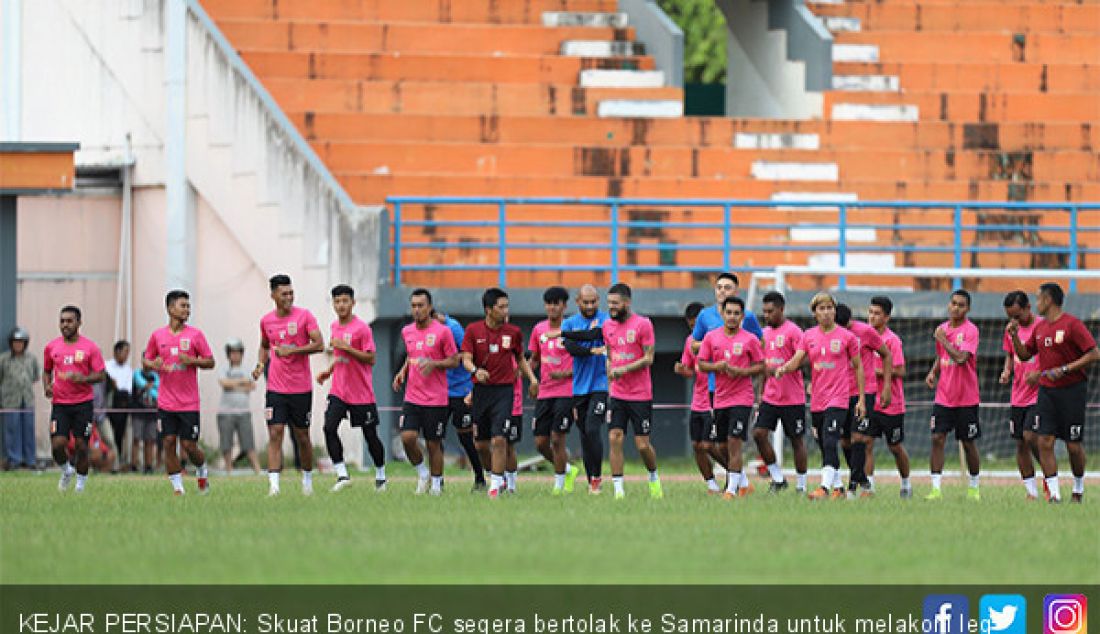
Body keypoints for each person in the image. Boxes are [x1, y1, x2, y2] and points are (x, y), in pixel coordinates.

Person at [1007, 282, 1099, 503]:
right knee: (1044, 441)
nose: (1036, 303)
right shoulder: (1040, 328)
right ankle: (1055, 495)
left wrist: (1066, 369)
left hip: (1072, 391)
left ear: (1048, 300)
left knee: (1073, 446)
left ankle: (1078, 488)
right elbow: (1026, 354)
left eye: (1038, 299)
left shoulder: (1072, 325)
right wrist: (1014, 337)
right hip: (1047, 392)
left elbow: (1094, 353)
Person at [776, 292, 864, 500]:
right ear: (815, 313)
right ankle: (839, 487)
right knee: (824, 442)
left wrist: (860, 399)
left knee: (831, 439)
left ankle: (823, 488)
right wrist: (784, 368)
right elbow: (797, 360)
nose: (826, 313)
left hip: (839, 398)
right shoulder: (808, 336)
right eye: (821, 309)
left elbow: (859, 367)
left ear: (834, 310)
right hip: (817, 399)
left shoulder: (847, 337)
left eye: (829, 308)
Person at [461, 287, 538, 499]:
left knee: (499, 440)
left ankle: (495, 487)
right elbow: (466, 359)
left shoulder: (513, 332)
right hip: (481, 391)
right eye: (501, 307)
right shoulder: (473, 331)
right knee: (481, 444)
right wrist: (476, 371)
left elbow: (521, 358)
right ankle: (497, 476)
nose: (506, 311)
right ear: (488, 309)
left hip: (504, 392)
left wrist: (532, 379)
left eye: (507, 306)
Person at [253, 274, 324, 496]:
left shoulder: (305, 317)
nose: (289, 297)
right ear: (273, 295)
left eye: (291, 293)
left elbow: (320, 344)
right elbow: (264, 345)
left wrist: (293, 350)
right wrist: (260, 364)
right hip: (275, 388)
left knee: (302, 436)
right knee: (275, 433)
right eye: (284, 294)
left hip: (301, 388)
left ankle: (307, 481)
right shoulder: (266, 321)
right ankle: (274, 486)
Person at [143, 290, 215, 495]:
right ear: (170, 308)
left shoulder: (195, 335)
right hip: (165, 402)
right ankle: (178, 488)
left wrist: (192, 361)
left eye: (188, 306)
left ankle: (201, 471)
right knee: (168, 442)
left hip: (189, 402)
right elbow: (146, 362)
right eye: (183, 306)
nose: (187, 310)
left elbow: (210, 361)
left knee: (189, 446)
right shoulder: (158, 336)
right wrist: (152, 363)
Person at [317, 284, 387, 492]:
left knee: (370, 435)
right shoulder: (334, 326)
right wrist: (329, 371)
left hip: (361, 394)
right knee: (329, 427)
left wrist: (348, 347)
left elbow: (371, 358)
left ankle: (381, 476)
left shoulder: (362, 328)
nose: (341, 305)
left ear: (353, 303)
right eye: (337, 301)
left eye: (345, 301)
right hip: (339, 390)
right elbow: (340, 356)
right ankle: (342, 475)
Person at [690, 273, 763, 472]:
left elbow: (759, 343)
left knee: (733, 440)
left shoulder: (747, 317)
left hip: (740, 388)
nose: (722, 290)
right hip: (714, 387)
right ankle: (738, 479)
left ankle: (735, 484)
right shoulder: (705, 316)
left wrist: (742, 365)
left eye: (727, 287)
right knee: (715, 443)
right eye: (719, 287)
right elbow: (693, 343)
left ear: (736, 291)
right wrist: (710, 345)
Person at [696, 297, 765, 499]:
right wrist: (717, 367)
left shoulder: (750, 339)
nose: (733, 317)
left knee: (735, 442)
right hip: (720, 399)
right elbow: (701, 364)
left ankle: (731, 490)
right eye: (729, 312)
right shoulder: (711, 337)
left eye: (737, 313)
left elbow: (761, 366)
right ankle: (742, 482)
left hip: (742, 399)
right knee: (722, 446)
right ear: (722, 314)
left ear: (742, 316)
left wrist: (741, 372)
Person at [393, 288, 458, 495]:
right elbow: (412, 355)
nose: (417, 310)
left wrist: (435, 364)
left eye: (421, 305)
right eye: (413, 306)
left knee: (433, 444)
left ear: (429, 307)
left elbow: (454, 360)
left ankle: (437, 485)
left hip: (436, 399)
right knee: (407, 438)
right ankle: (422, 473)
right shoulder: (407, 331)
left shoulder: (443, 331)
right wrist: (402, 372)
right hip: (412, 397)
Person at [601, 283, 661, 500]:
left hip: (640, 395)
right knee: (614, 437)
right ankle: (618, 490)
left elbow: (649, 358)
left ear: (627, 302)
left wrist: (624, 368)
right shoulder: (607, 326)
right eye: (609, 304)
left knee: (642, 445)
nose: (611, 307)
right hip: (617, 394)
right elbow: (610, 353)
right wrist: (610, 367)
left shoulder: (643, 324)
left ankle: (654, 478)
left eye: (615, 304)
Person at [924, 289, 981, 501]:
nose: (956, 308)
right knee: (937, 438)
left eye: (961, 305)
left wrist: (945, 341)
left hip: (966, 398)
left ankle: (974, 487)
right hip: (944, 397)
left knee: (968, 442)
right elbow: (942, 356)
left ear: (968, 309)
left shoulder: (971, 331)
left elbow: (961, 358)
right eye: (953, 303)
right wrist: (933, 372)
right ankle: (936, 489)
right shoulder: (942, 329)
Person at [43, 305, 106, 492]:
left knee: (81, 446)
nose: (65, 325)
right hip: (60, 405)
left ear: (79, 323)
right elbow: (46, 370)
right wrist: (47, 385)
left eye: (69, 321)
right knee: (57, 445)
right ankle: (66, 470)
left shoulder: (90, 348)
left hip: (83, 404)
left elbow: (101, 375)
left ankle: (80, 485)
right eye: (62, 321)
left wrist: (83, 378)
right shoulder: (51, 347)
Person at [753, 292, 809, 493]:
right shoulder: (764, 334)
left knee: (796, 440)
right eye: (765, 311)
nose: (767, 315)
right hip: (770, 397)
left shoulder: (794, 332)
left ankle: (801, 486)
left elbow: (805, 358)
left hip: (792, 398)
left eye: (770, 311)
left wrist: (788, 366)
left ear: (781, 309)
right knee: (759, 434)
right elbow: (763, 367)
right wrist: (760, 394)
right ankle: (777, 478)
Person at [835, 303, 892, 495]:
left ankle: (852, 487)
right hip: (841, 391)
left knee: (859, 437)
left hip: (864, 391)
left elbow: (886, 354)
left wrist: (886, 387)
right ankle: (861, 478)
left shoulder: (866, 332)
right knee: (844, 441)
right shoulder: (829, 333)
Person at [528, 286, 580, 495]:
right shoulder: (539, 330)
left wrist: (566, 374)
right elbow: (534, 359)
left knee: (558, 438)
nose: (552, 307)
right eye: (548, 303)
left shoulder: (573, 329)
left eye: (556, 303)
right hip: (544, 392)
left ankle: (559, 485)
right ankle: (567, 469)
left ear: (564, 306)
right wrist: (528, 378)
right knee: (540, 443)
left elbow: (585, 361)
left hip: (566, 392)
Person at [560, 284, 610, 494]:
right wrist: (593, 349)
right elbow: (571, 347)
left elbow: (598, 333)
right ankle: (591, 480)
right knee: (584, 435)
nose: (590, 306)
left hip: (601, 385)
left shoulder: (607, 319)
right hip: (579, 387)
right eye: (586, 302)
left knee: (592, 428)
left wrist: (580, 338)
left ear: (598, 300)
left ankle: (597, 478)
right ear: (577, 302)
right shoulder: (569, 322)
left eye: (593, 301)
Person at [865, 296, 912, 498]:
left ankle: (906, 484)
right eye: (870, 312)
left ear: (886, 318)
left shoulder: (892, 341)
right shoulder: (863, 338)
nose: (872, 317)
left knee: (895, 447)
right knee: (866, 442)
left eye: (877, 314)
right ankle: (869, 488)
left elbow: (901, 371)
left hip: (891, 404)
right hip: (869, 401)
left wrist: (876, 371)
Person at [434, 309, 486, 491]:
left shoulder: (453, 328)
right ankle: (437, 481)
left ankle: (480, 477)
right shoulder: (426, 329)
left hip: (460, 390)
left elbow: (467, 354)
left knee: (465, 437)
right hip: (439, 392)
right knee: (435, 437)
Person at [1000, 291, 1044, 500]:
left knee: (1031, 436)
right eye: (1011, 316)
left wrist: (1041, 374)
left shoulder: (1043, 327)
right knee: (1020, 442)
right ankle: (1031, 491)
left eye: (1018, 315)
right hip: (1018, 394)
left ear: (1028, 307)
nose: (1014, 320)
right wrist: (1007, 371)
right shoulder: (1010, 330)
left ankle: (1048, 475)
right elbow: (1010, 354)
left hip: (1040, 393)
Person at [674, 302, 720, 494]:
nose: (696, 330)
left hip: (715, 399)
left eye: (698, 325)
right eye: (692, 326)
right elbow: (689, 370)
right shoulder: (690, 342)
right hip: (697, 402)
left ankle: (737, 476)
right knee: (697, 446)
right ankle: (712, 485)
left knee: (709, 444)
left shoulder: (718, 339)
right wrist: (680, 369)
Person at [217, 338, 261, 474]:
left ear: (242, 354)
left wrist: (234, 384)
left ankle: (257, 470)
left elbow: (252, 385)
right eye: (232, 353)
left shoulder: (247, 368)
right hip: (225, 412)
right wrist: (242, 382)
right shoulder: (224, 369)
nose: (235, 356)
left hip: (244, 411)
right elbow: (224, 384)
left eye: (237, 353)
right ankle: (229, 470)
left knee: (248, 443)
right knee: (226, 443)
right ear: (228, 354)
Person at [1, 327, 39, 470]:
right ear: (11, 344)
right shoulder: (4, 360)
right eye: (15, 342)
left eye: (21, 342)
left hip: (27, 399)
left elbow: (35, 376)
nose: (18, 345)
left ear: (25, 344)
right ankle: (14, 460)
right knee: (11, 430)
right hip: (10, 400)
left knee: (28, 429)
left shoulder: (31, 358)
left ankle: (30, 460)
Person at [104, 340, 132, 471]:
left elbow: (128, 389)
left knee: (120, 435)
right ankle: (106, 462)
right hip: (109, 404)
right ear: (117, 351)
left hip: (123, 404)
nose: (127, 355)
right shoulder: (107, 366)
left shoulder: (128, 369)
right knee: (107, 435)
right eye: (125, 352)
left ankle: (117, 462)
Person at [131, 368, 159, 473]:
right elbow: (136, 390)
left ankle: (148, 466)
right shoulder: (137, 375)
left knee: (150, 440)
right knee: (136, 438)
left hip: (152, 413)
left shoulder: (155, 376)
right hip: (138, 412)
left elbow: (158, 391)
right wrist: (146, 386)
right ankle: (134, 466)